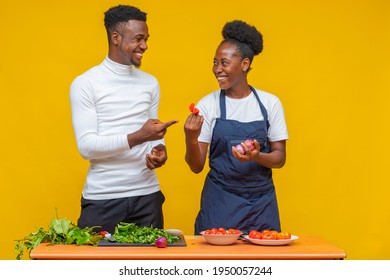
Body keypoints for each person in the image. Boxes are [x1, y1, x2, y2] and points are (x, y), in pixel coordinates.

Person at [70, 5, 178, 233]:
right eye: (138, 39)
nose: (145, 46)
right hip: (103, 198)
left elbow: (153, 132)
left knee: (145, 269)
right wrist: (140, 137)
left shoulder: (150, 83)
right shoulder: (86, 83)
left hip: (148, 196)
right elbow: (87, 147)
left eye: (146, 39)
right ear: (116, 38)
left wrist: (159, 149)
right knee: (93, 268)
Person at [184, 20, 288, 234]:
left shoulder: (270, 104)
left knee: (264, 263)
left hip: (262, 205)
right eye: (215, 63)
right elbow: (196, 166)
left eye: (224, 63)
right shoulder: (208, 105)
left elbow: (280, 158)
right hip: (220, 202)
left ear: (244, 64)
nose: (217, 69)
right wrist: (191, 138)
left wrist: (256, 156)